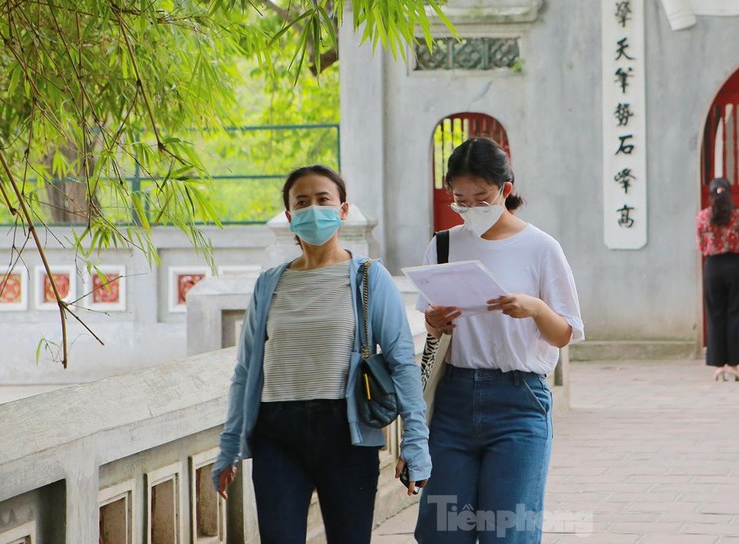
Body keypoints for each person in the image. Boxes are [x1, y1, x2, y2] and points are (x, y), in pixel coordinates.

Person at [211, 164, 431, 544]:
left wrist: (415, 443)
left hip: (345, 433)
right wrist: (230, 445)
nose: (313, 209)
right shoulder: (270, 283)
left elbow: (400, 363)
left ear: (343, 210)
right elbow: (245, 370)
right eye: (302, 202)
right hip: (276, 433)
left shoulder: (368, 277)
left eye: (323, 199)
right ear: (289, 215)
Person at [413, 137, 584, 544]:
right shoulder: (443, 245)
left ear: (506, 190)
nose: (470, 208)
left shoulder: (541, 248)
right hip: (454, 400)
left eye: (482, 197)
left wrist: (536, 309)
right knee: (443, 532)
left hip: (519, 401)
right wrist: (436, 321)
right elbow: (433, 326)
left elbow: (564, 334)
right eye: (461, 199)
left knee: (508, 534)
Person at [696, 177, 739, 382]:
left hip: (713, 268)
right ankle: (733, 366)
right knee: (737, 315)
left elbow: (701, 247)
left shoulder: (703, 217)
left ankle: (718, 366)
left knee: (715, 316)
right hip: (736, 267)